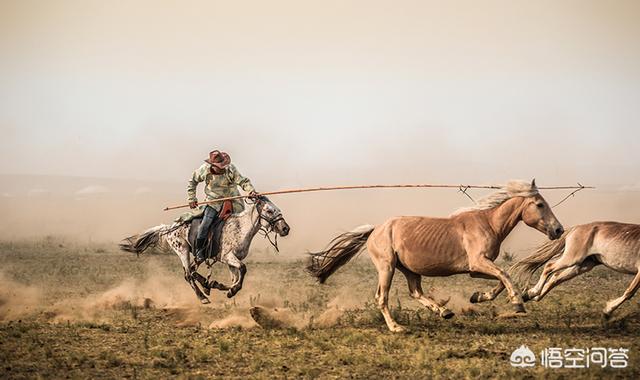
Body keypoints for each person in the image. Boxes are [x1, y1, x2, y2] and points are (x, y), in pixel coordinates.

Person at [186, 150, 256, 263]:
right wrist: (192, 198)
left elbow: (243, 181)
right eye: (220, 166)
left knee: (243, 223)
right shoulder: (203, 170)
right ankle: (199, 251)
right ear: (212, 165)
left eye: (224, 164)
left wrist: (251, 191)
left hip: (233, 200)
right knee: (205, 225)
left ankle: (238, 248)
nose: (223, 167)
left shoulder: (231, 169)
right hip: (214, 202)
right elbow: (192, 182)